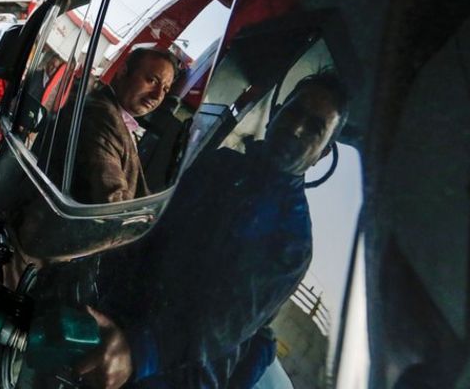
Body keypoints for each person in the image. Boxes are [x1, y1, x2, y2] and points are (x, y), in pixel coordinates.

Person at [93, 72, 349, 388]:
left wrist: (138, 352)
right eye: (293, 112)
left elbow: (223, 324)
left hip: (171, 375)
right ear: (275, 113)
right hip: (110, 324)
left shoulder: (292, 239)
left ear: (322, 153)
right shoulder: (219, 165)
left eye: (314, 128)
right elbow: (150, 234)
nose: (296, 128)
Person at [71, 46, 178, 204]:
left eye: (165, 90)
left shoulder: (117, 117)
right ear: (123, 72)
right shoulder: (102, 117)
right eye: (152, 80)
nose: (157, 95)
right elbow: (110, 202)